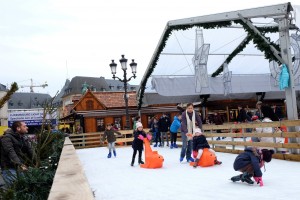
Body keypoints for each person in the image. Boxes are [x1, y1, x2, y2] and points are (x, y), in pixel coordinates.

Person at [0, 121, 33, 186]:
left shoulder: (23, 138)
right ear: (18, 128)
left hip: (20, 167)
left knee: (23, 188)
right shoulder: (7, 138)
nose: (27, 127)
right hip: (9, 168)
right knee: (14, 188)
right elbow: (11, 152)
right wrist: (20, 164)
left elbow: (30, 151)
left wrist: (39, 162)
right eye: (24, 126)